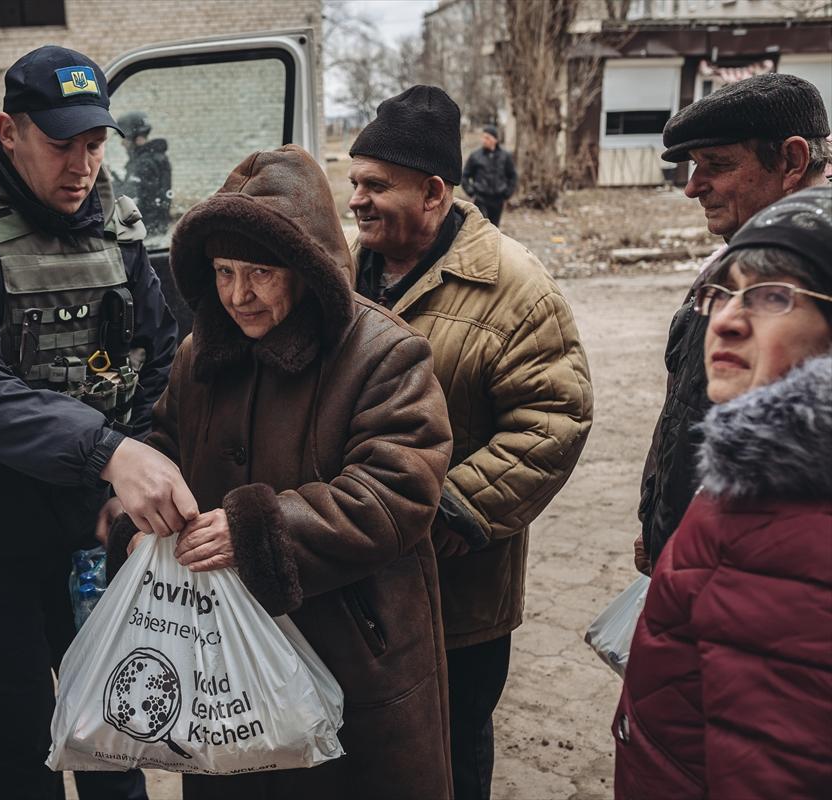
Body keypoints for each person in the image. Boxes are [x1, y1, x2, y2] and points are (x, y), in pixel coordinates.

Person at [102, 144, 456, 799]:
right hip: (226, 667)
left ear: (306, 268)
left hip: (353, 655)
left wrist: (258, 530)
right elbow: (162, 450)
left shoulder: (384, 353)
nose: (238, 295)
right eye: (223, 271)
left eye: (260, 272)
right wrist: (133, 523)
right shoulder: (197, 356)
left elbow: (398, 492)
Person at [0, 46, 192, 799]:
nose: (82, 165)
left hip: (94, 522)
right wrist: (109, 454)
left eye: (94, 144)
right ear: (10, 130)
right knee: (22, 741)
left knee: (114, 732)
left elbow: (157, 356)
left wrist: (135, 463)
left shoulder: (115, 219)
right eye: (61, 145)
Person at [347, 86, 593, 800]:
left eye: (375, 185)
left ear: (432, 191)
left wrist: (451, 508)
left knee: (449, 755)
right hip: (353, 576)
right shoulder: (342, 268)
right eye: (354, 182)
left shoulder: (514, 286)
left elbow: (554, 418)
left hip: (456, 588)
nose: (357, 199)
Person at [613, 185, 832, 799]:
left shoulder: (797, 533)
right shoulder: (760, 472)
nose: (727, 319)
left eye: (771, 295)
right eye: (722, 291)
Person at [635, 72, 830, 575]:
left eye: (716, 165)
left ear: (792, 161)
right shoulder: (725, 267)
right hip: (694, 554)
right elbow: (686, 405)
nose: (693, 188)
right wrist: (659, 520)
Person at [114, 111, 172, 237]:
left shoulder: (144, 164)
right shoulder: (156, 157)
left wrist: (108, 182)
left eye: (124, 138)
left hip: (146, 232)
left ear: (137, 138)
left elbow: (129, 198)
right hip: (155, 228)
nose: (122, 143)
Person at [462, 124, 517, 226]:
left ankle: (492, 242)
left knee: (494, 228)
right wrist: (471, 192)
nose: (484, 140)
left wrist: (507, 193)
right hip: (480, 198)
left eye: (487, 137)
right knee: (482, 226)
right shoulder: (475, 156)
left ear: (495, 140)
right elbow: (465, 176)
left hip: (498, 199)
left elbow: (512, 176)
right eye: (483, 137)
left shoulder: (505, 156)